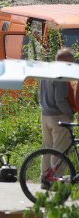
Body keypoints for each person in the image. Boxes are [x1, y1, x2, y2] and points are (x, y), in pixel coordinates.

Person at [40, 48, 76, 187]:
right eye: (71, 61)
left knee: (47, 149)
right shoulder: (61, 73)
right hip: (59, 116)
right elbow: (60, 99)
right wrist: (70, 114)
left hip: (45, 115)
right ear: (66, 60)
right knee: (60, 150)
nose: (72, 64)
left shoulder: (46, 71)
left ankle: (45, 179)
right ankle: (56, 181)